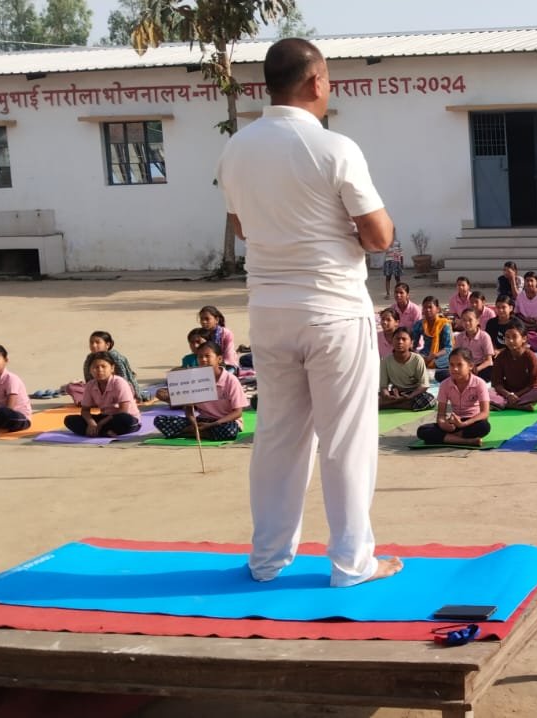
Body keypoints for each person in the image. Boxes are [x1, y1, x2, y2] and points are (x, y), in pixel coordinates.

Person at [216, 38, 402, 586]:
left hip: (269, 310)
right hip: (333, 311)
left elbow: (242, 228)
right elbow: (379, 235)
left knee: (278, 435)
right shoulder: (335, 147)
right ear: (316, 81)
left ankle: (268, 559)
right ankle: (351, 563)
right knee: (345, 439)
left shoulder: (237, 149)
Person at [155, 341, 249, 441]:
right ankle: (198, 432)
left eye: (207, 356)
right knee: (160, 420)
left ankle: (189, 433)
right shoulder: (194, 379)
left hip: (223, 421)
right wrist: (193, 421)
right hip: (202, 420)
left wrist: (212, 424)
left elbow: (238, 412)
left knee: (230, 431)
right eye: (200, 357)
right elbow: (189, 407)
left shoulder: (230, 380)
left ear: (219, 359)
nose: (203, 360)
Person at [417, 349, 493, 446]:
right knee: (422, 431)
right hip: (454, 422)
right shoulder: (445, 384)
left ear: (470, 366)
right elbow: (441, 414)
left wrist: (464, 424)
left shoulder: (479, 383)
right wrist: (443, 424)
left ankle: (447, 438)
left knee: (484, 426)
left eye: (459, 365)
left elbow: (484, 413)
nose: (455, 369)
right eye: (451, 365)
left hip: (472, 422)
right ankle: (466, 441)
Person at [66, 351, 142, 438]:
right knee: (69, 420)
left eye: (103, 366)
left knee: (125, 420)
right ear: (90, 370)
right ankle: (104, 432)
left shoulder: (119, 382)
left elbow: (123, 410)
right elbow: (85, 410)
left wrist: (101, 423)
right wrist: (91, 423)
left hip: (124, 417)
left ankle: (99, 431)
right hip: (105, 417)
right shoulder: (90, 385)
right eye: (95, 367)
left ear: (112, 368)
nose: (100, 370)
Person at [58, 330, 139, 404]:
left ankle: (102, 401)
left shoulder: (116, 358)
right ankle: (92, 401)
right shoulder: (90, 358)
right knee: (71, 387)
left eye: (97, 342)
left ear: (107, 345)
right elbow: (89, 381)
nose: (93, 345)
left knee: (125, 390)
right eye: (91, 342)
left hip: (115, 389)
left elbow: (123, 381)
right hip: (98, 389)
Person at [490, 324, 537, 411]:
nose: (511, 340)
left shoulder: (530, 356)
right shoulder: (501, 356)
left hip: (524, 392)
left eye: (514, 337)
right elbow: (497, 383)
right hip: (506, 392)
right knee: (487, 393)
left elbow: (534, 384)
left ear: (524, 338)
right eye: (507, 337)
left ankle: (504, 405)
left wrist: (515, 395)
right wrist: (508, 395)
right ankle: (517, 406)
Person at [378, 328, 435, 411]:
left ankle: (393, 405)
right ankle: (398, 403)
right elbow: (383, 386)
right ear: (392, 341)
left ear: (411, 343)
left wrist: (410, 396)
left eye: (404, 339)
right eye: (397, 339)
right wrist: (387, 396)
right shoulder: (386, 361)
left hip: (414, 394)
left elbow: (424, 385)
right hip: (396, 393)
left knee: (429, 400)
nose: (400, 342)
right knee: (371, 398)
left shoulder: (417, 359)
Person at [414, 296, 451, 382]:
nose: (427, 310)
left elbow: (448, 348)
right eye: (425, 307)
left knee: (448, 360)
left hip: (441, 355)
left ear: (437, 309)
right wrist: (416, 354)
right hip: (426, 353)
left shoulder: (444, 324)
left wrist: (434, 355)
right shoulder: (420, 324)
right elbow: (413, 343)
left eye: (430, 307)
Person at [453, 309, 495, 380]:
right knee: (442, 374)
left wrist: (477, 369)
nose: (467, 323)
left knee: (491, 371)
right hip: (464, 366)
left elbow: (489, 361)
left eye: (470, 320)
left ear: (477, 321)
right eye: (464, 320)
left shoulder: (484, 336)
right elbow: (457, 356)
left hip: (480, 367)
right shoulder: (459, 337)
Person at [381, 229, 405, 298]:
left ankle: (400, 293)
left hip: (396, 261)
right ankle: (388, 294)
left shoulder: (397, 242)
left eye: (393, 232)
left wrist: (402, 262)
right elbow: (383, 249)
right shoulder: (386, 241)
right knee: (388, 278)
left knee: (397, 278)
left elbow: (401, 252)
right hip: (388, 261)